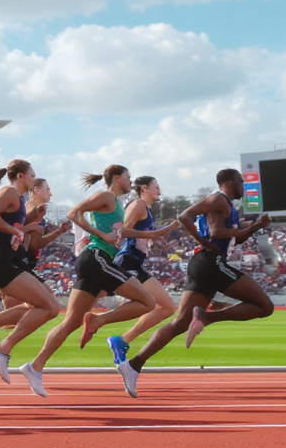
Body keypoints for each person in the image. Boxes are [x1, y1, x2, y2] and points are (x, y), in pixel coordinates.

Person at [115, 169, 274, 398]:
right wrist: (201, 240)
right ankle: (207, 317)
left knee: (179, 323)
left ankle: (134, 365)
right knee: (264, 306)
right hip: (210, 263)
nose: (243, 187)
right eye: (240, 182)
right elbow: (188, 218)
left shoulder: (224, 203)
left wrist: (256, 227)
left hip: (204, 265)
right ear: (229, 182)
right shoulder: (218, 198)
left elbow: (231, 236)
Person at [15, 165, 159, 398]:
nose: (130, 181)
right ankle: (96, 320)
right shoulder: (105, 196)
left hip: (95, 261)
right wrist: (101, 235)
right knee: (148, 302)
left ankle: (35, 367)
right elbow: (73, 213)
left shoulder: (117, 204)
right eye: (128, 177)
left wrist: (151, 234)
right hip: (97, 258)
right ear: (116, 178)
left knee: (70, 322)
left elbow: (121, 233)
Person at [0, 159, 60, 386]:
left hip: (1, 258)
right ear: (20, 176)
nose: (35, 177)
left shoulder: (19, 201)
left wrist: (28, 222)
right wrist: (19, 231)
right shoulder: (9, 192)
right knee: (48, 306)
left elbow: (12, 227)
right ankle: (1, 347)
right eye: (32, 173)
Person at [83, 175, 181, 365]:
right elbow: (121, 231)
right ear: (144, 188)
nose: (159, 190)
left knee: (167, 307)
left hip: (135, 262)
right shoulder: (138, 205)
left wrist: (158, 232)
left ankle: (120, 338)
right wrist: (154, 233)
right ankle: (104, 326)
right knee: (164, 306)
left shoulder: (147, 209)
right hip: (127, 261)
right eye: (156, 186)